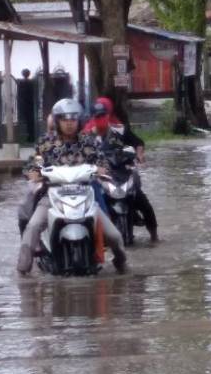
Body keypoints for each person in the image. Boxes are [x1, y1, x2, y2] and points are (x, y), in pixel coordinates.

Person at [16, 98, 127, 275]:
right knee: (33, 227)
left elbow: (103, 163)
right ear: (58, 121)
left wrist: (101, 170)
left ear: (79, 121)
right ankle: (22, 271)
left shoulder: (88, 142)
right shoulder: (46, 143)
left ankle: (121, 263)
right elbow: (33, 164)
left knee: (114, 235)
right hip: (52, 197)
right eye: (65, 119)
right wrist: (33, 173)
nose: (69, 124)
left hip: (85, 196)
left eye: (73, 119)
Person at [83, 98, 159, 243]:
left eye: (103, 116)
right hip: (102, 177)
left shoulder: (120, 130)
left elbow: (138, 142)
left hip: (123, 173)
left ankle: (154, 235)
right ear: (93, 118)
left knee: (143, 202)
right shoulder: (87, 137)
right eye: (97, 117)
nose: (101, 119)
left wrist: (140, 155)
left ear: (108, 115)